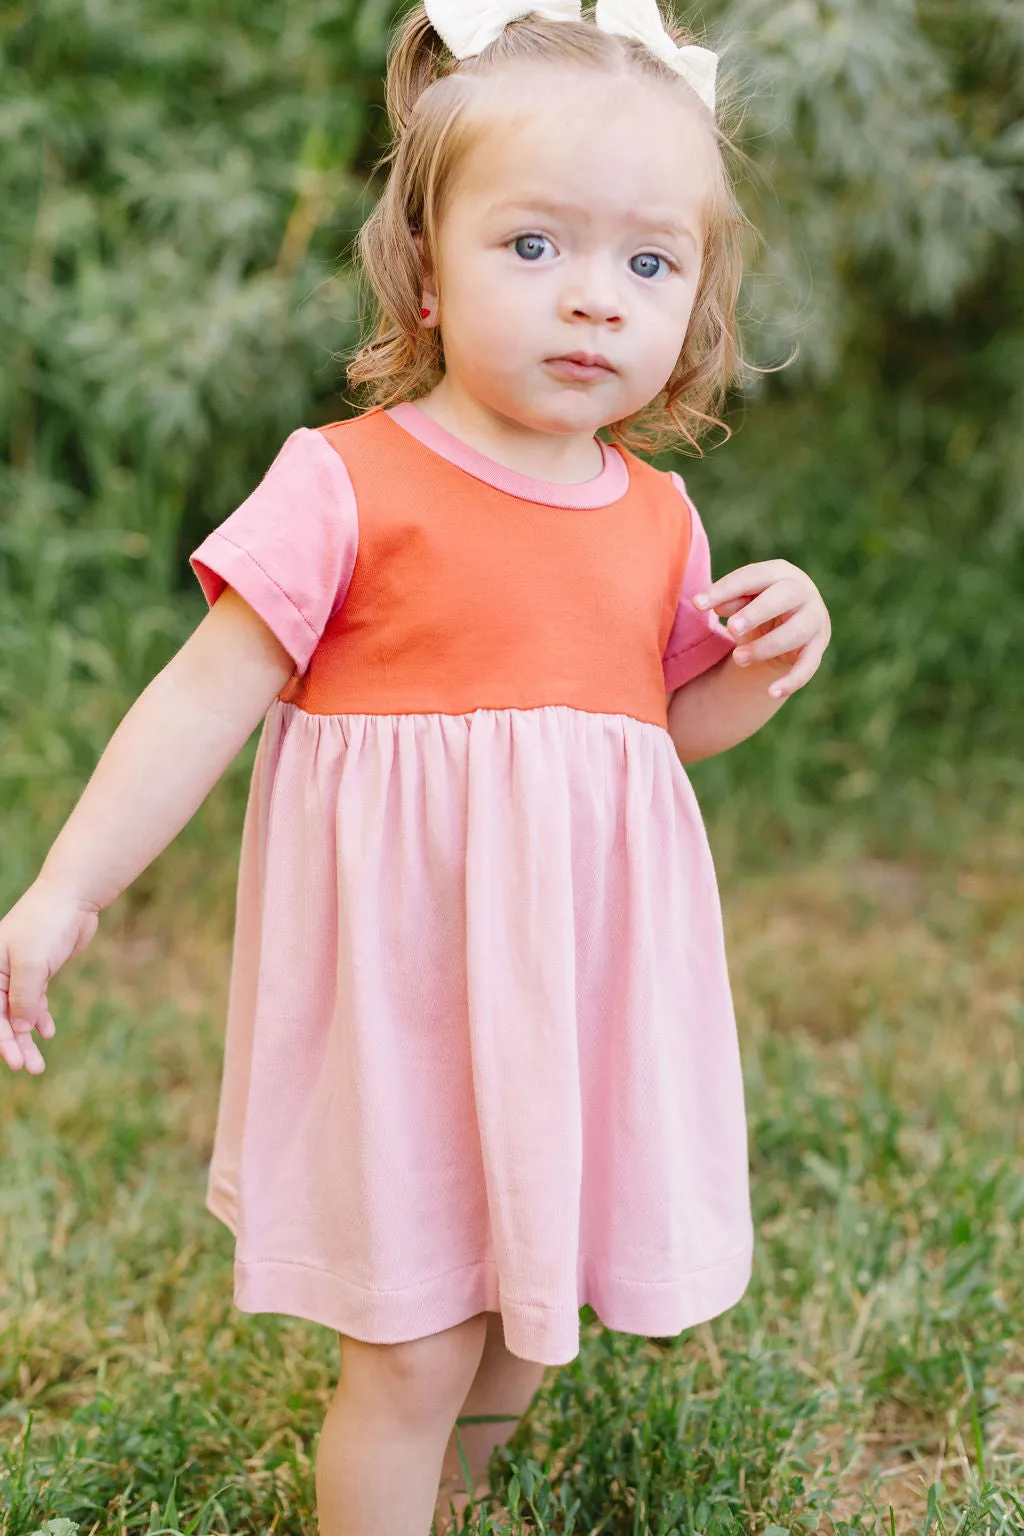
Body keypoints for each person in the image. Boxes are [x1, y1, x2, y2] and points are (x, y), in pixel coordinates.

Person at [0, 1, 832, 1531]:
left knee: (523, 1322)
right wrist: (64, 892)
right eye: (534, 248)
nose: (593, 302)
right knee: (418, 1340)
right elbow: (200, 701)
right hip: (406, 1002)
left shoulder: (655, 518)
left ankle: (443, 1497)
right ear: (426, 270)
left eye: (647, 265)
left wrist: (771, 662)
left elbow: (663, 730)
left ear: (696, 304)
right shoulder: (347, 484)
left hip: (562, 1001)